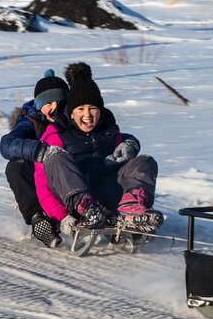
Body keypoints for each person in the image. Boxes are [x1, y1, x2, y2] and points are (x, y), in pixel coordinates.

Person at [34, 62, 164, 234]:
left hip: (104, 198)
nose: (87, 115)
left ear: (100, 111)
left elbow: (127, 159)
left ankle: (131, 209)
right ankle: (87, 208)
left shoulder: (109, 130)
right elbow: (42, 185)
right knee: (56, 156)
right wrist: (62, 217)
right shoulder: (55, 134)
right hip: (73, 204)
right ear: (71, 113)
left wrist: (130, 145)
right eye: (80, 109)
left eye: (93, 108)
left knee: (145, 162)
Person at [0, 69, 69, 248]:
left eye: (59, 102)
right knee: (15, 167)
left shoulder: (74, 116)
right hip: (40, 174)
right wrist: (39, 151)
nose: (53, 107)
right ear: (39, 105)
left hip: (70, 173)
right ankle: (38, 219)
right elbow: (7, 144)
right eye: (48, 103)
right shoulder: (32, 120)